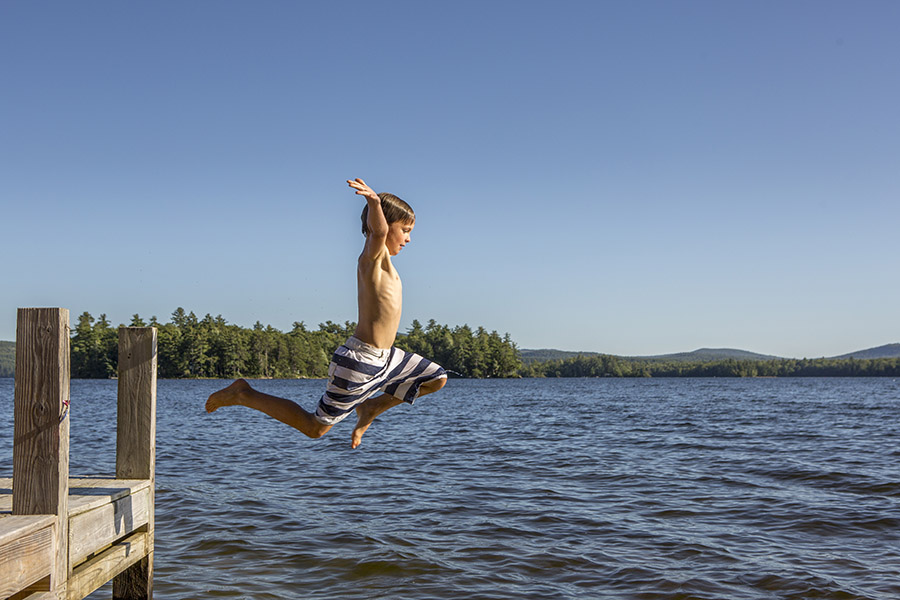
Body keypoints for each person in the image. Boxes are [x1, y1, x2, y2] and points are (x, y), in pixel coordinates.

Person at [206, 178, 448, 448]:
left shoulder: (387, 266)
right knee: (314, 428)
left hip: (387, 359)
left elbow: (381, 232)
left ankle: (371, 408)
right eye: (404, 229)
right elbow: (378, 233)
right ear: (380, 224)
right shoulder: (371, 259)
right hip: (360, 363)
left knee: (437, 379)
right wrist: (374, 202)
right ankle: (244, 394)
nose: (408, 238)